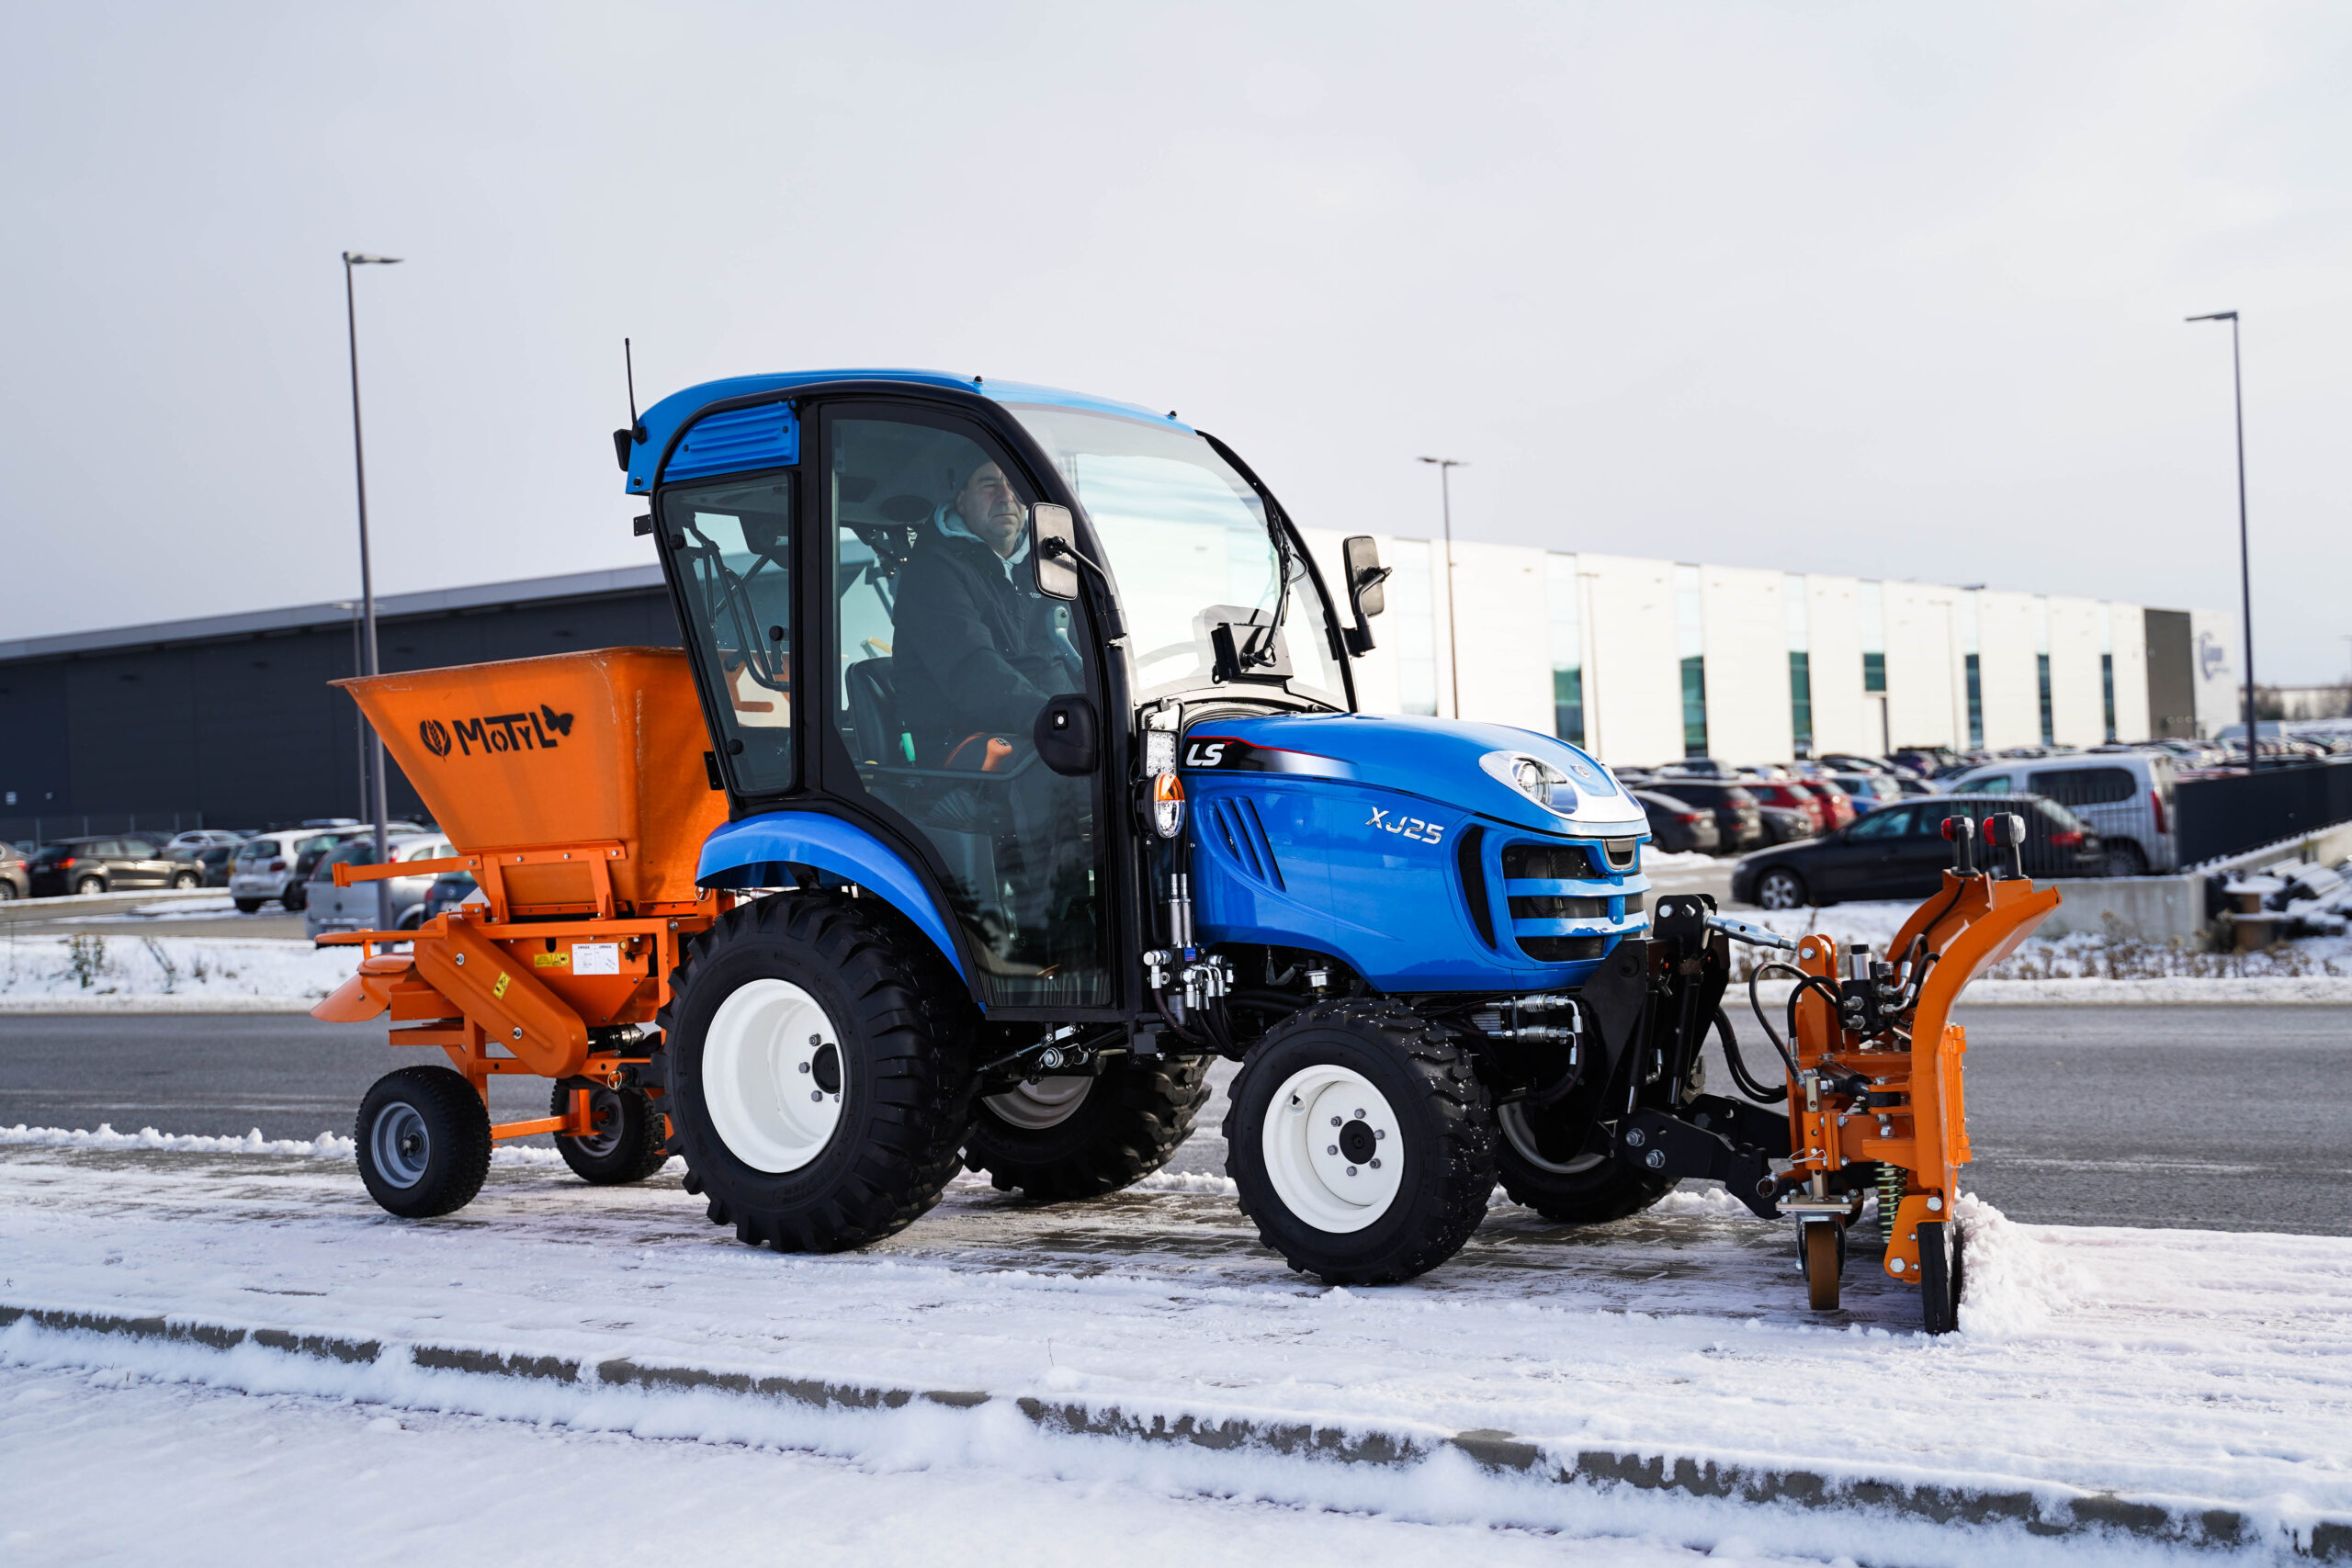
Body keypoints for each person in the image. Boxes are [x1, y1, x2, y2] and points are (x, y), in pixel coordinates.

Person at [890, 458, 1079, 764]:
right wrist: (1057, 723)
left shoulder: (1049, 565)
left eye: (1014, 485)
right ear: (961, 501)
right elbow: (972, 669)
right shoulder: (933, 573)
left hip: (1040, 731)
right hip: (959, 747)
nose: (1005, 496)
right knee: (1068, 783)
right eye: (990, 484)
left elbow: (1083, 653)